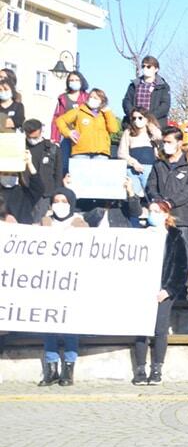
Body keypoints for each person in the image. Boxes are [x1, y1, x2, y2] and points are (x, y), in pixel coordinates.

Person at [132, 199, 188, 385]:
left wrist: (169, 290)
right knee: (140, 329)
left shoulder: (174, 236)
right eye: (151, 211)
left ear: (166, 215)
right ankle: (140, 368)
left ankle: (156, 368)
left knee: (160, 330)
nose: (153, 214)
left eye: (157, 211)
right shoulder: (140, 236)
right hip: (141, 291)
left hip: (164, 292)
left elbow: (181, 268)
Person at [37, 187, 87, 387]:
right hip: (48, 282)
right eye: (56, 200)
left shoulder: (80, 224)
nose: (59, 204)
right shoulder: (44, 222)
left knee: (70, 326)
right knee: (48, 325)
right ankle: (51, 368)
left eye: (64, 201)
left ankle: (68, 368)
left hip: (71, 283)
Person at [146, 127, 188, 257]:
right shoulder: (159, 164)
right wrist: (158, 203)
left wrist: (171, 203)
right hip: (159, 217)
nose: (165, 145)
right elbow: (151, 185)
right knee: (159, 256)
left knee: (180, 257)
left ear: (179, 143)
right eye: (164, 142)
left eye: (169, 142)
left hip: (182, 218)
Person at [15, 120, 62, 225]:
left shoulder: (52, 148)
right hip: (25, 192)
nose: (32, 140)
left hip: (45, 194)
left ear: (41, 131)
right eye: (30, 137)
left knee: (40, 224)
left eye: (35, 137)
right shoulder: (20, 147)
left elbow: (58, 174)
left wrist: (56, 195)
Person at [55, 89, 120, 157]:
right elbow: (60, 120)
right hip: (81, 152)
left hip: (101, 153)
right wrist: (68, 132)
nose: (92, 99)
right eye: (90, 97)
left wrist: (108, 112)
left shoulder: (106, 114)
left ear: (102, 101)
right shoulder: (79, 110)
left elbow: (113, 129)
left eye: (95, 98)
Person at [116, 106, 162, 197]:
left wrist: (149, 125)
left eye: (140, 117)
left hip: (149, 169)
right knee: (134, 196)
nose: (137, 120)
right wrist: (133, 163)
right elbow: (121, 153)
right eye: (134, 118)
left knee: (150, 195)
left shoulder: (151, 132)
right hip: (132, 170)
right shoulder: (128, 132)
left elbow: (159, 137)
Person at [122, 55, 172, 129]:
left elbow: (165, 106)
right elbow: (127, 101)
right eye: (143, 66)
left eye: (148, 66)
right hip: (134, 124)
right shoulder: (134, 85)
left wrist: (148, 118)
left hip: (154, 124)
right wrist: (134, 116)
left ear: (156, 69)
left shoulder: (163, 86)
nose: (145, 69)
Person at [51, 71, 89, 157]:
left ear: (81, 81)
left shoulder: (87, 97)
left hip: (82, 136)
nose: (74, 82)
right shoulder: (62, 98)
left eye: (76, 80)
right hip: (66, 135)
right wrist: (54, 138)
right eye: (71, 80)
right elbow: (56, 118)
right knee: (64, 164)